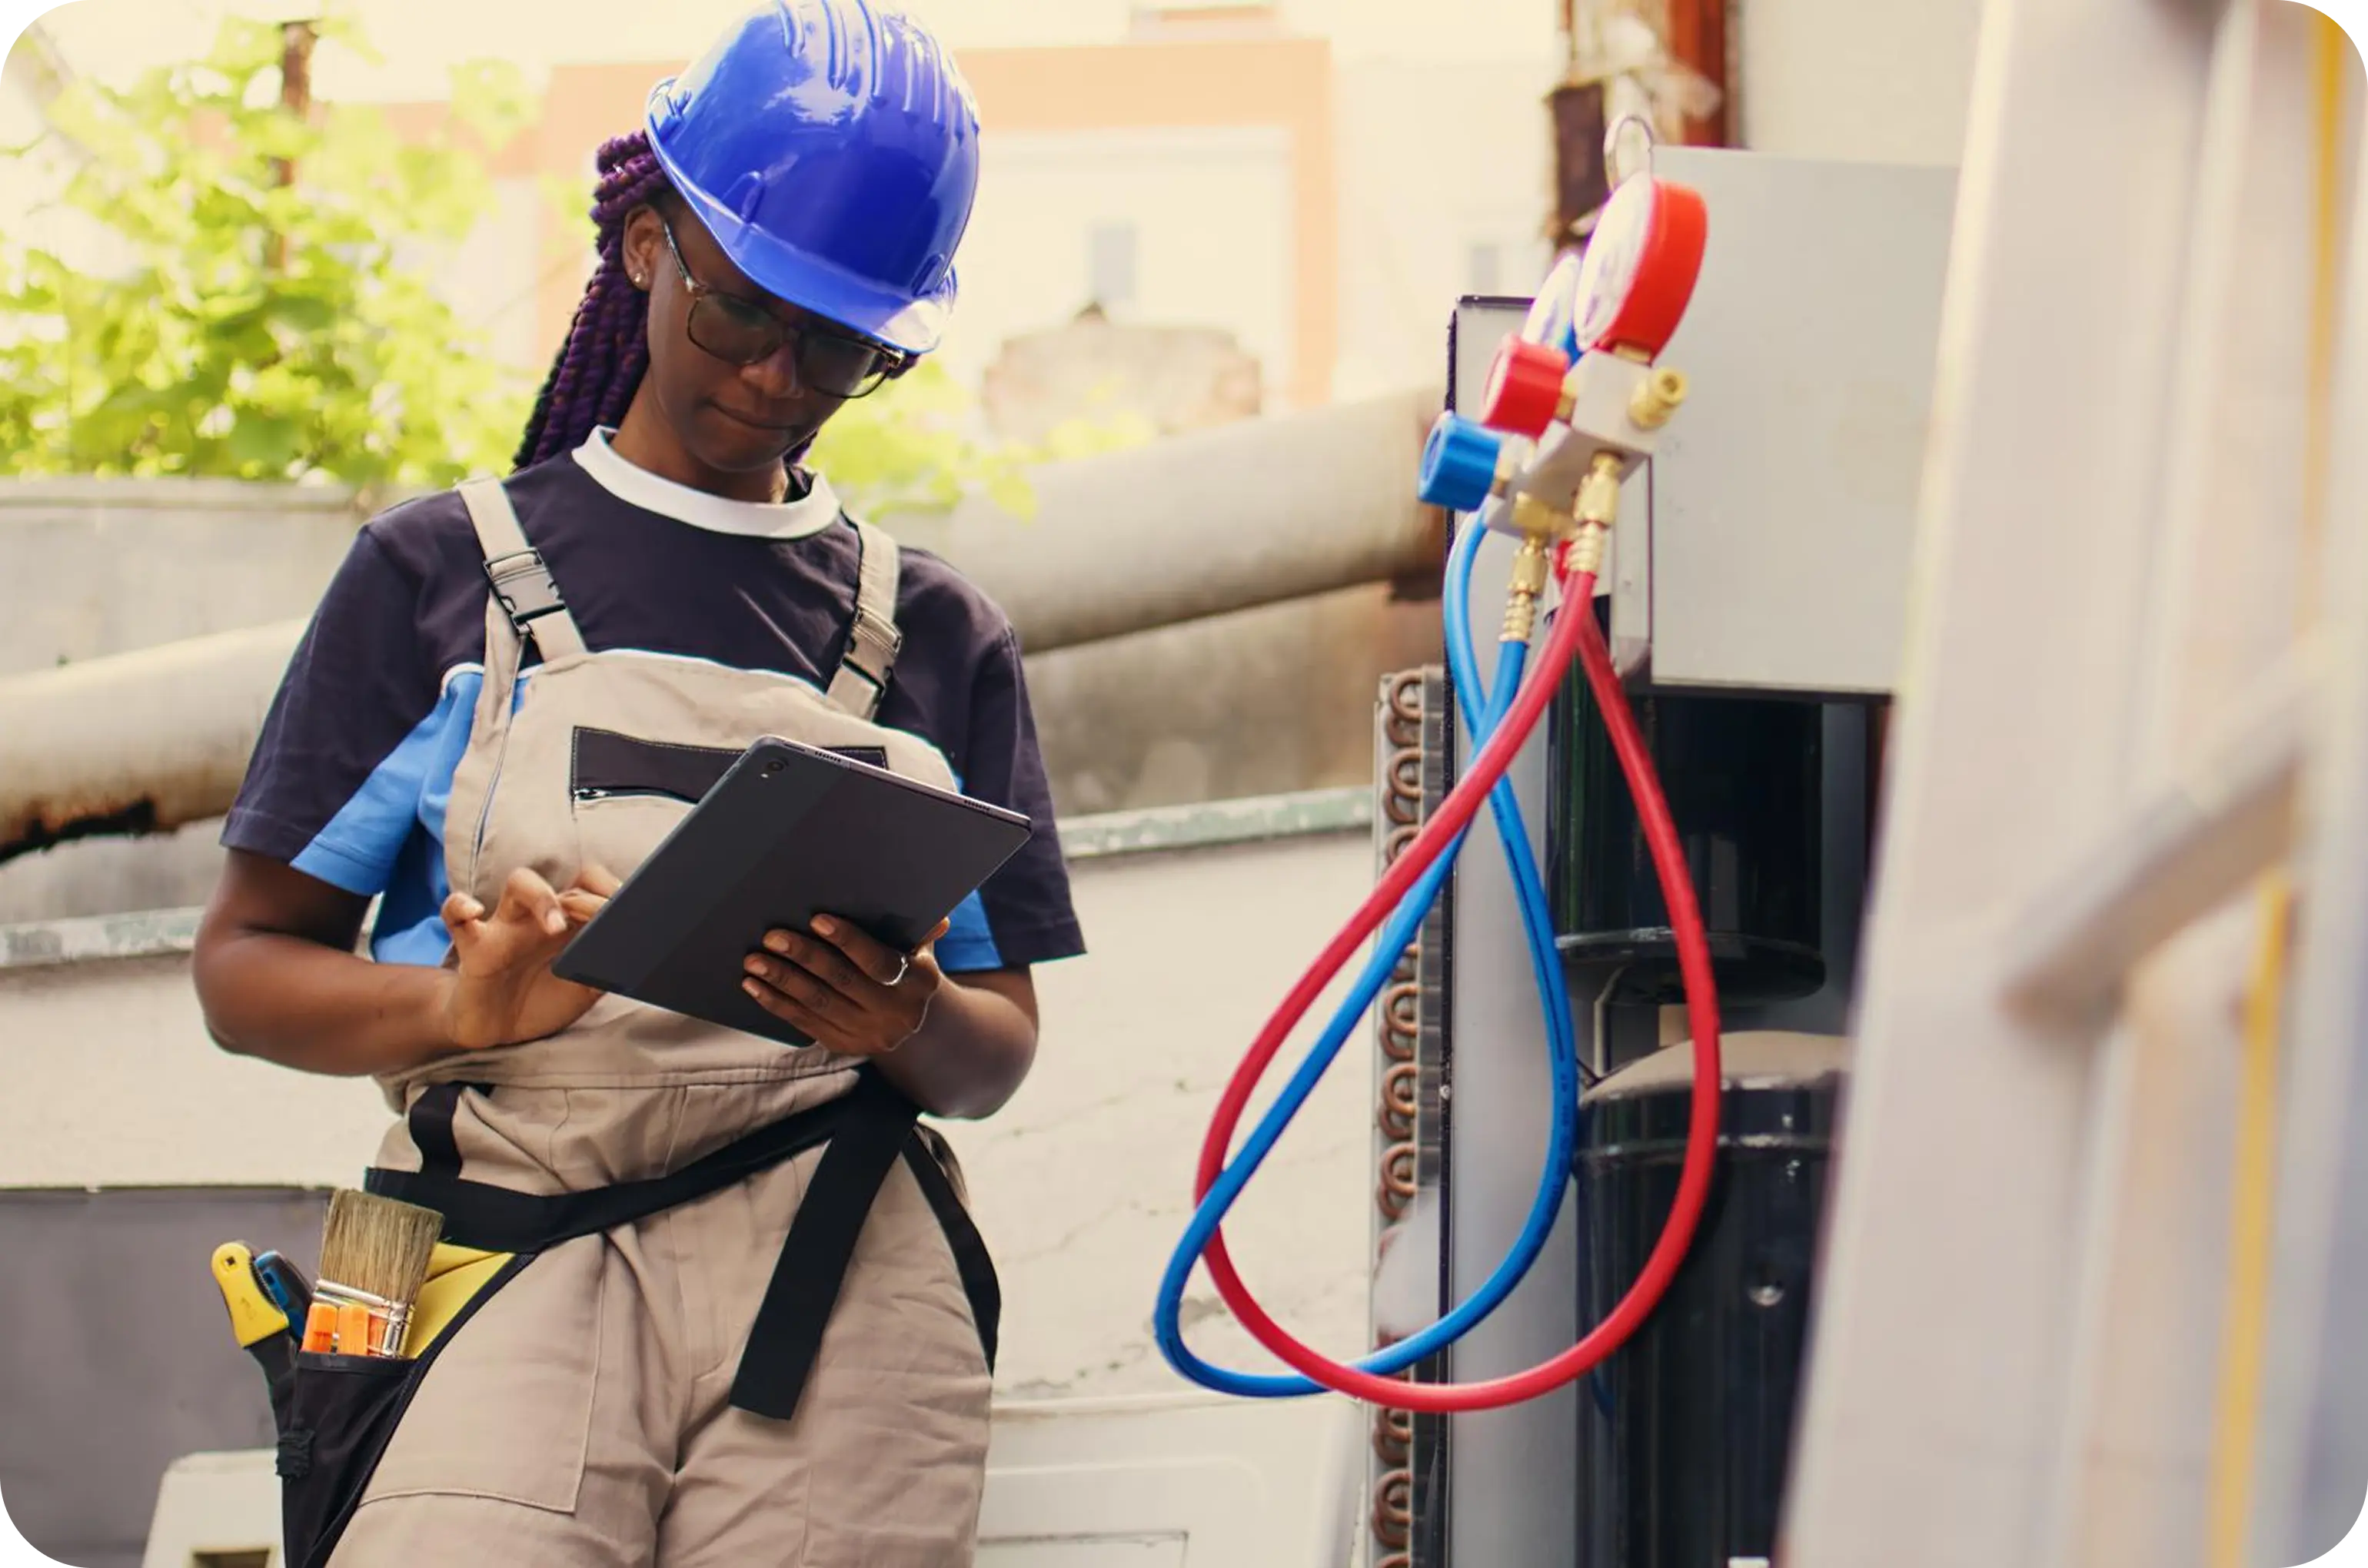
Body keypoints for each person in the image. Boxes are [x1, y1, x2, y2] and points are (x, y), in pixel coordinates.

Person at [190, 3, 1083, 1562]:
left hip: (835, 1267)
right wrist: (453, 1014)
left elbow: (994, 1061)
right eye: (743, 312)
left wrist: (906, 1023)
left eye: (840, 345)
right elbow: (239, 973)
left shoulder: (937, 638)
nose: (776, 376)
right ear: (646, 243)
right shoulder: (433, 579)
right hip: (470, 1239)